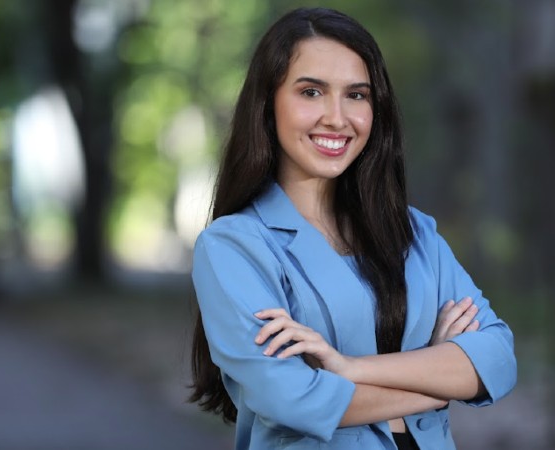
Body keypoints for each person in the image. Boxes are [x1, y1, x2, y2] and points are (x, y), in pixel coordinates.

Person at [189, 7, 516, 450]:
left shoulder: (416, 234)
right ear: (268, 103)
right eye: (311, 92)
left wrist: (350, 369)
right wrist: (439, 375)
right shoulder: (233, 248)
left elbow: (497, 359)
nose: (337, 117)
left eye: (356, 95)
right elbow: (295, 400)